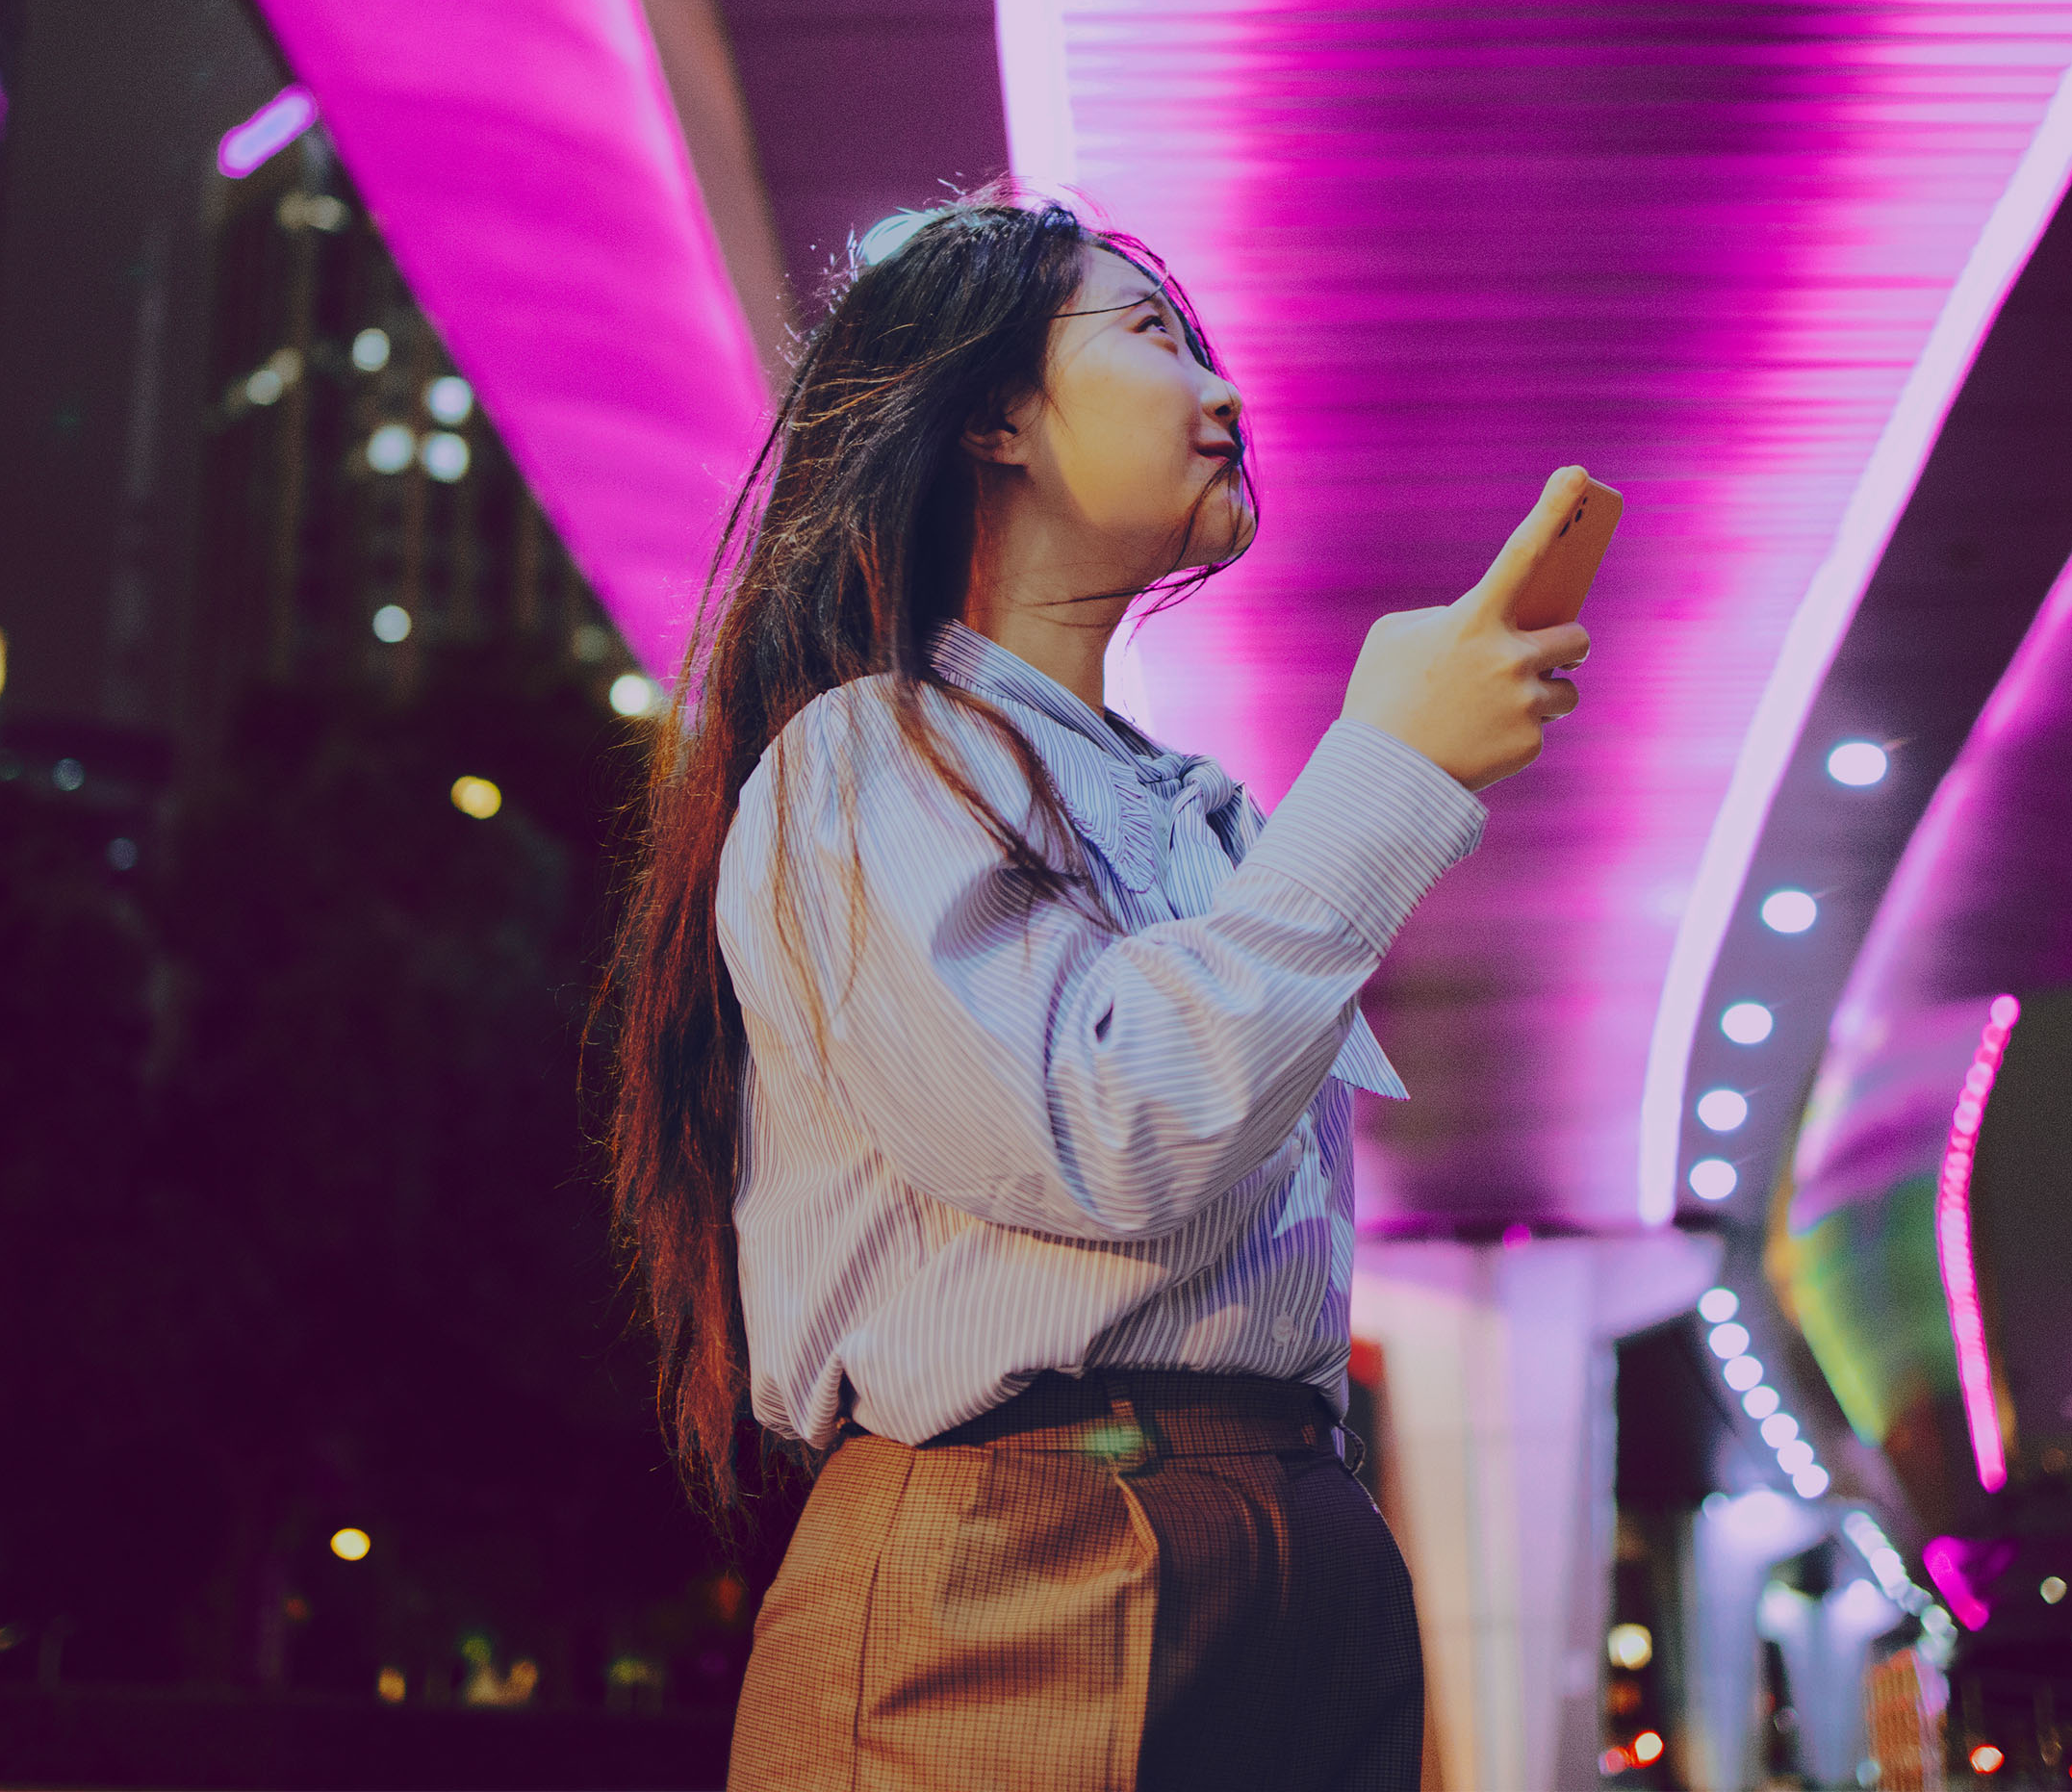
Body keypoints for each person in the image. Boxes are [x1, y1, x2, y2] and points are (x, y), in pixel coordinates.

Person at [597, 191, 1591, 1788]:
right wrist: (1392, 772)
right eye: (1149, 336)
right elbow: (1109, 1127)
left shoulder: (1196, 814)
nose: (1223, 390)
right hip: (1022, 1547)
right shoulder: (865, 757)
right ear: (992, 411)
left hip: (1290, 1534)